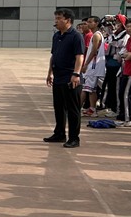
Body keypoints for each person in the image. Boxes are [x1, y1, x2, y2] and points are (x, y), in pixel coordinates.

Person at [44, 8, 85, 148]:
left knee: (73, 109)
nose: (56, 21)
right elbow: (53, 55)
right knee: (59, 107)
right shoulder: (57, 36)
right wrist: (50, 73)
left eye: (59, 18)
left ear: (68, 20)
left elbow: (79, 56)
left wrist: (76, 74)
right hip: (58, 77)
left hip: (70, 77)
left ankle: (74, 138)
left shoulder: (76, 36)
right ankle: (59, 134)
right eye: (55, 18)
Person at [80, 16, 106, 117]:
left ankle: (76, 109)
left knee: (85, 88)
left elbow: (94, 51)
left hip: (93, 65)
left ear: (96, 23)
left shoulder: (96, 35)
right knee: (92, 90)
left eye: (90, 22)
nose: (88, 24)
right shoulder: (96, 34)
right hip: (94, 65)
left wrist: (86, 64)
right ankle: (92, 109)